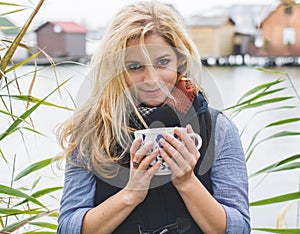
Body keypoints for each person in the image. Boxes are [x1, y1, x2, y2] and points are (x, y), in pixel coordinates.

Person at [57, 1, 251, 233]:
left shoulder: (218, 128)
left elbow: (240, 228)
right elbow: (68, 227)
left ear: (180, 60)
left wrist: (187, 182)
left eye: (162, 62)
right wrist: (131, 193)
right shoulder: (91, 131)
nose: (152, 78)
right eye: (135, 66)